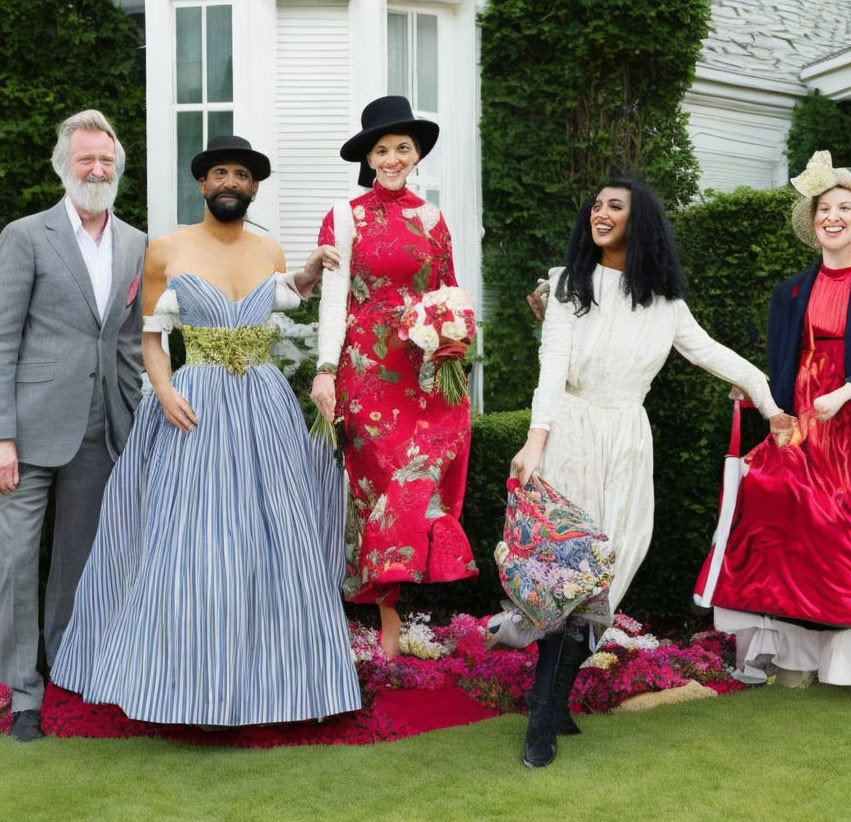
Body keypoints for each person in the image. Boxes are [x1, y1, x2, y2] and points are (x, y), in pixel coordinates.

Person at [50, 135, 362, 726]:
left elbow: (279, 296)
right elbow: (149, 336)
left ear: (253, 188)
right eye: (220, 173)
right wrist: (164, 392)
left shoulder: (269, 249)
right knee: (190, 540)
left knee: (273, 538)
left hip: (264, 403)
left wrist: (309, 272)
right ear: (202, 184)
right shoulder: (166, 249)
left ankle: (283, 687)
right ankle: (179, 687)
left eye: (241, 175)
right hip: (194, 404)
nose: (229, 183)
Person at [510, 176, 793, 767]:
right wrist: (535, 444)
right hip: (571, 434)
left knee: (609, 573)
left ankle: (554, 699)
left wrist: (768, 402)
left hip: (628, 444)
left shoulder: (665, 304)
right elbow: (549, 370)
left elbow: (713, 354)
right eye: (595, 204)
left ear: (640, 224)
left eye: (615, 205)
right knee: (569, 571)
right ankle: (542, 719)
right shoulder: (566, 285)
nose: (600, 212)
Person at [702, 151, 851, 695]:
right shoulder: (787, 291)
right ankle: (802, 647)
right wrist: (756, 392)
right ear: (813, 225)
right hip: (803, 423)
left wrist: (846, 392)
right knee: (794, 524)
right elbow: (783, 369)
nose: (832, 217)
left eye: (843, 208)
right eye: (823, 210)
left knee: (845, 525)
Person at [311, 96, 477, 660]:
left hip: (428, 373)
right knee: (381, 490)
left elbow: (449, 290)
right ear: (369, 158)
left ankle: (403, 612)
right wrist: (326, 371)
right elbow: (333, 302)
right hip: (370, 375)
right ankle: (386, 626)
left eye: (402, 147)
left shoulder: (432, 218)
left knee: (427, 475)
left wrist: (455, 336)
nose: (392, 157)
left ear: (417, 153)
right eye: (382, 150)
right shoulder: (345, 216)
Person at [0, 110, 147, 742]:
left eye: (106, 160)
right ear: (64, 165)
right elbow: (4, 339)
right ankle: (22, 693)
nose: (97, 169)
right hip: (29, 431)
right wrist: (2, 436)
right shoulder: (26, 236)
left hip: (101, 429)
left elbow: (132, 344)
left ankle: (63, 669)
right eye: (85, 159)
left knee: (79, 560)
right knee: (16, 559)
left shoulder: (137, 243)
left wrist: (139, 422)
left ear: (118, 167)